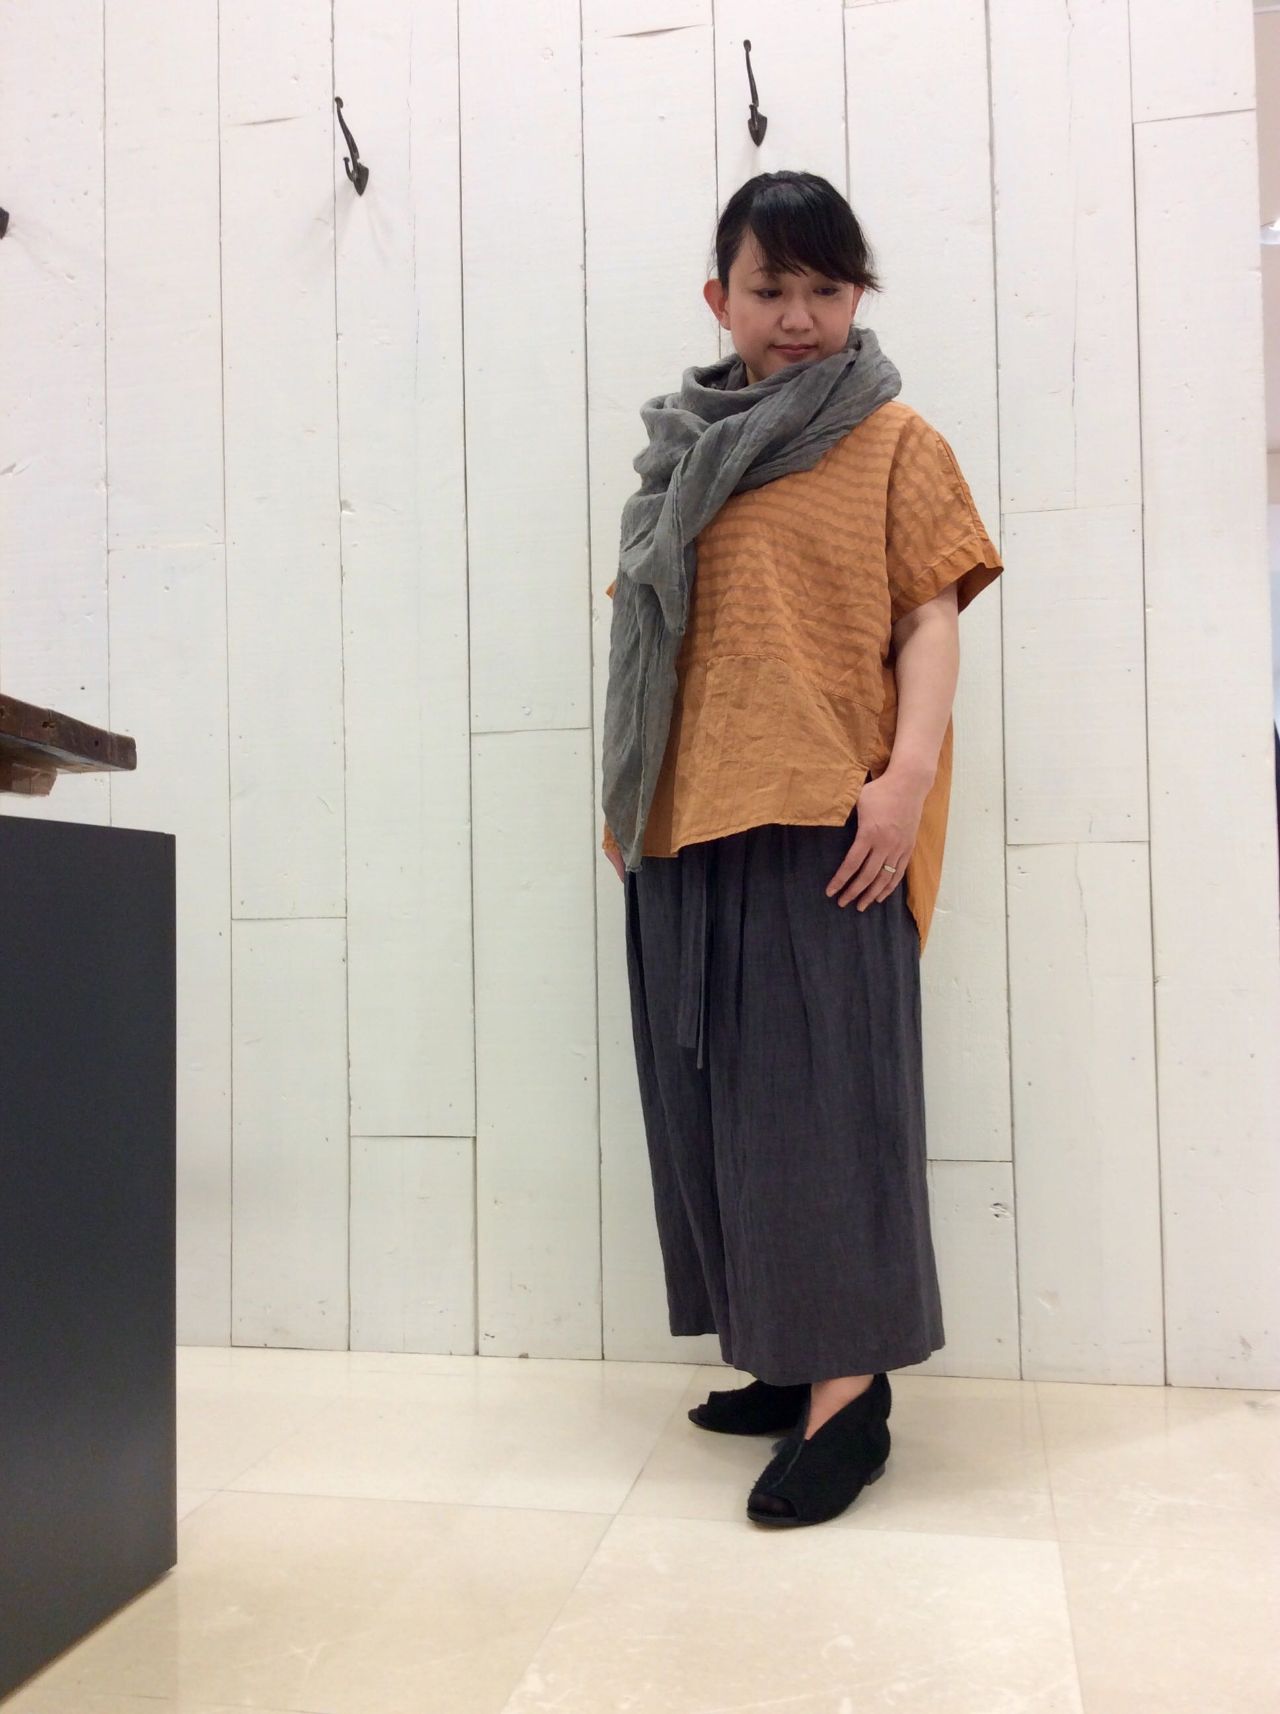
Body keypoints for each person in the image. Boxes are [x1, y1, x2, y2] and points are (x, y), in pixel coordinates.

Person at [598, 171, 1003, 1528]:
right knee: (714, 1111)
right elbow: (650, 637)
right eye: (772, 288)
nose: (799, 316)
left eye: (827, 289)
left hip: (828, 816)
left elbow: (928, 617)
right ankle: (784, 1349)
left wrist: (905, 780)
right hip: (685, 817)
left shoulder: (891, 439)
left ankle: (850, 1394)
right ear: (720, 297)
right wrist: (625, 796)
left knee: (826, 1109)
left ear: (856, 296)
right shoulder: (680, 456)